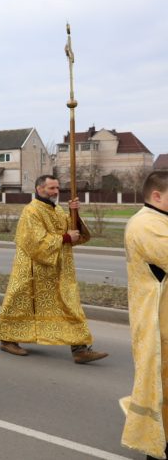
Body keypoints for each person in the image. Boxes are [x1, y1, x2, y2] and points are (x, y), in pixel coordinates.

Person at [0, 174, 108, 363]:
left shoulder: (56, 209)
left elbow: (75, 232)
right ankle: (7, 340)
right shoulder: (31, 211)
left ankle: (80, 348)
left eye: (57, 188)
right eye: (52, 188)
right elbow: (34, 241)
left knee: (69, 303)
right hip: (32, 270)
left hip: (57, 269)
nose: (56, 192)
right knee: (20, 303)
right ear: (40, 189)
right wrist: (64, 238)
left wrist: (75, 213)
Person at [120, 171, 168, 459]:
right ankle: (156, 446)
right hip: (156, 321)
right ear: (157, 196)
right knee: (160, 385)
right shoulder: (146, 224)